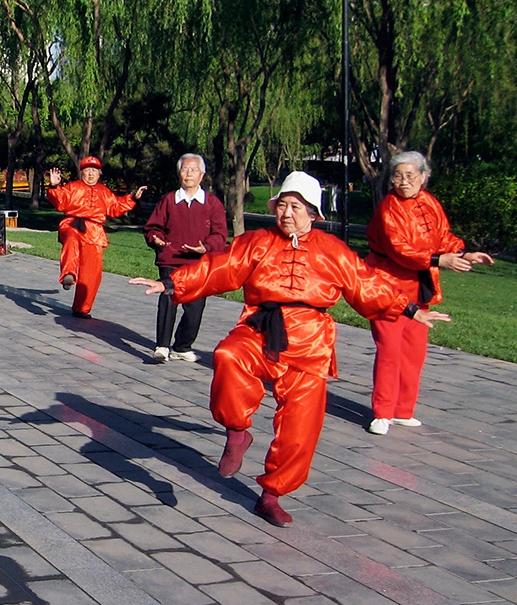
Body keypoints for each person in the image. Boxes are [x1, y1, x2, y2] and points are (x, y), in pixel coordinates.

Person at [130, 172, 448, 527]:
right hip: (261, 328)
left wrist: (411, 309)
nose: (286, 213)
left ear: (313, 213)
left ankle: (271, 495)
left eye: (295, 207)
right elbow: (220, 267)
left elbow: (367, 284)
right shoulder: (258, 242)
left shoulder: (332, 250)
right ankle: (236, 431)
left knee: (300, 428)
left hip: (310, 342)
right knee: (228, 356)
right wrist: (171, 283)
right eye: (282, 205)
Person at [364, 151, 493, 435]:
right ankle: (383, 412)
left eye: (410, 175)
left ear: (423, 177)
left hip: (419, 287)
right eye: (398, 175)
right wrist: (438, 260)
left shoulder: (429, 202)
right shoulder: (388, 208)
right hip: (387, 285)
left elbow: (443, 237)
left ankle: (403, 410)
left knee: (414, 351)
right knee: (389, 350)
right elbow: (399, 250)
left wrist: (464, 253)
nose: (403, 181)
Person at [142, 153, 229, 362]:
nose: (189, 174)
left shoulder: (212, 203)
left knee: (195, 306)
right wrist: (156, 239)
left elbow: (220, 234)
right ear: (179, 173)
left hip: (199, 263)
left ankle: (182, 346)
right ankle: (162, 346)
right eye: (185, 169)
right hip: (171, 259)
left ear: (202, 175)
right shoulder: (169, 200)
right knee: (168, 298)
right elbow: (153, 227)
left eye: (193, 170)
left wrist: (206, 247)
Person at [46, 157, 145, 317]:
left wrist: (133, 198)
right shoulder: (73, 187)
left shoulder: (104, 191)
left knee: (92, 271)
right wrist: (54, 186)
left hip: (95, 230)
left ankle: (82, 308)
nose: (91, 174)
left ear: (99, 173)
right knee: (71, 240)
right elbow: (60, 200)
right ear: (82, 173)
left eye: (94, 170)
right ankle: (69, 274)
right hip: (72, 223)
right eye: (87, 170)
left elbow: (116, 207)